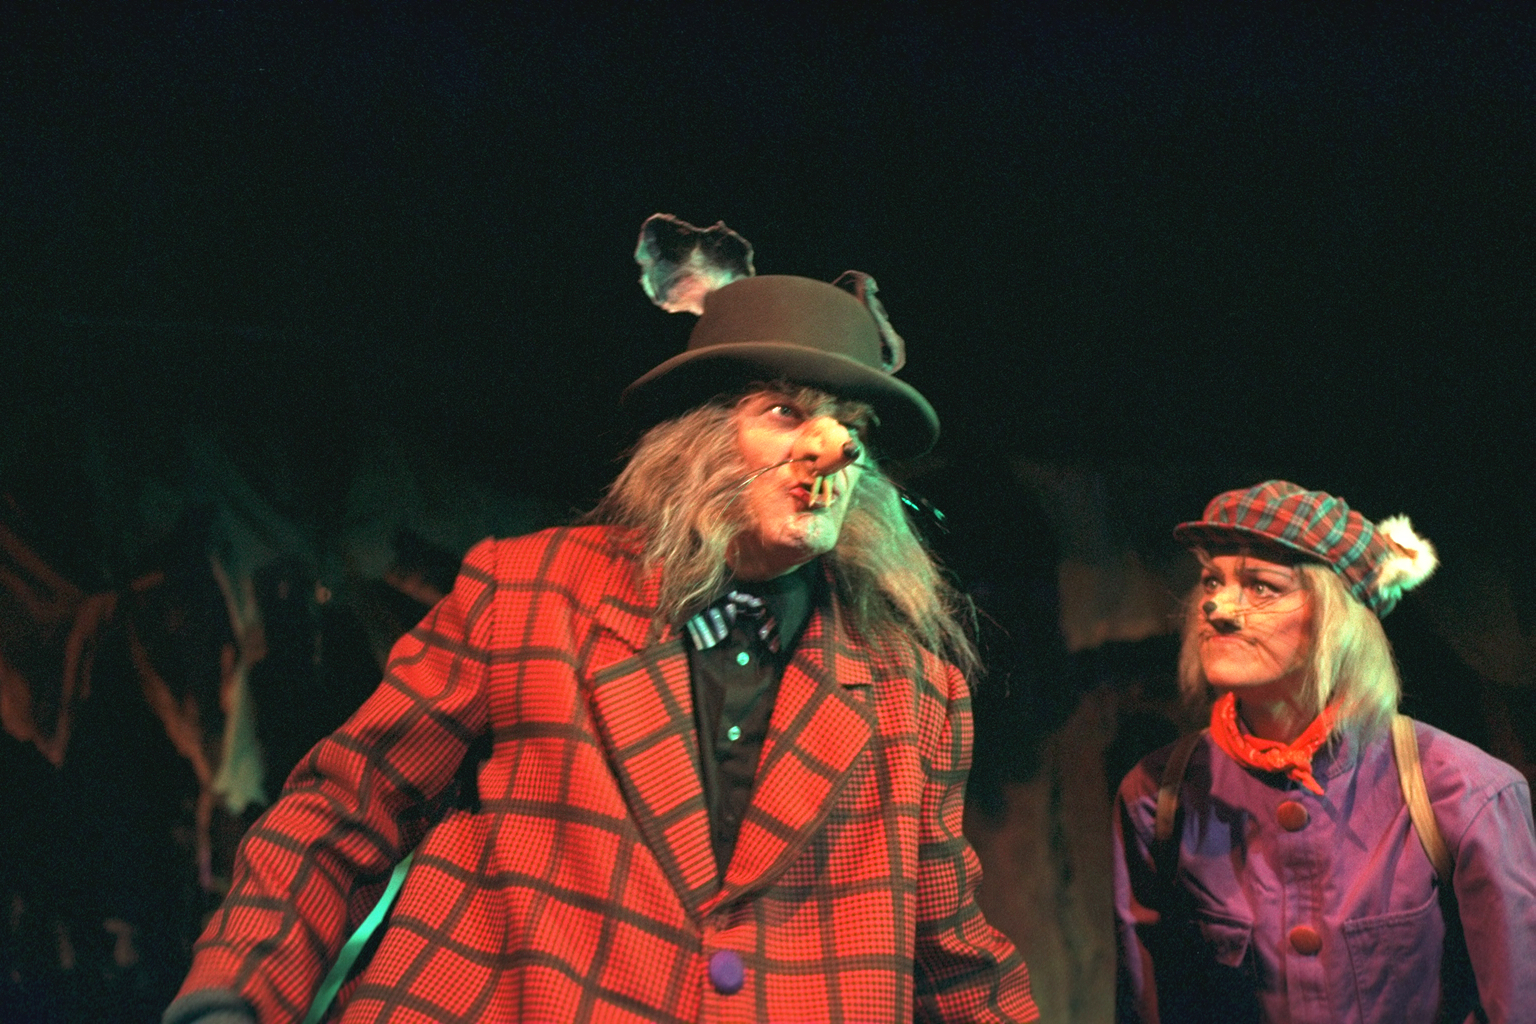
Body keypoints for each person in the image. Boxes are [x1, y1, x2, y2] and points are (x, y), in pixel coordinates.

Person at [164, 218, 1038, 1024]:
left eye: (852, 424)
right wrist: (232, 997)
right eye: (785, 411)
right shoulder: (529, 594)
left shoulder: (910, 688)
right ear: (699, 433)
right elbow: (347, 808)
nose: (831, 448)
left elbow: (951, 959)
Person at [1113, 480, 1536, 1023]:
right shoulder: (1158, 797)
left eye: (1262, 586)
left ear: (1338, 620)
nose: (1218, 607)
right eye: (1212, 580)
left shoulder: (1464, 791)